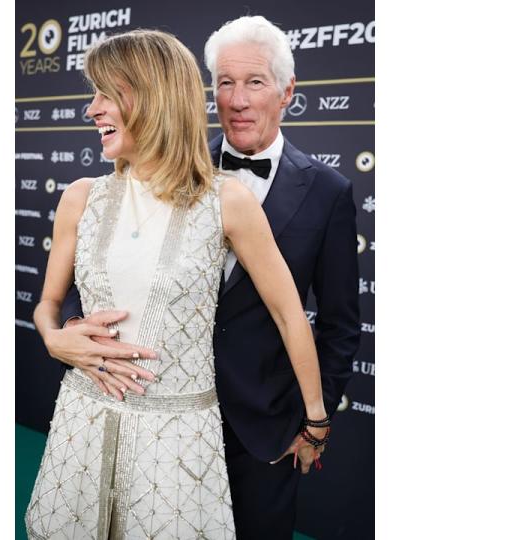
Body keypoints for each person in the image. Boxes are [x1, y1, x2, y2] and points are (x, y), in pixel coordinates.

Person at [25, 28, 333, 540]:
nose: (91, 110)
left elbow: (287, 314)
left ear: (151, 95)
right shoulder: (80, 197)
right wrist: (56, 339)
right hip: (81, 425)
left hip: (176, 443)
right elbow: (47, 305)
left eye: (105, 93)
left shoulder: (226, 201)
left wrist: (316, 421)